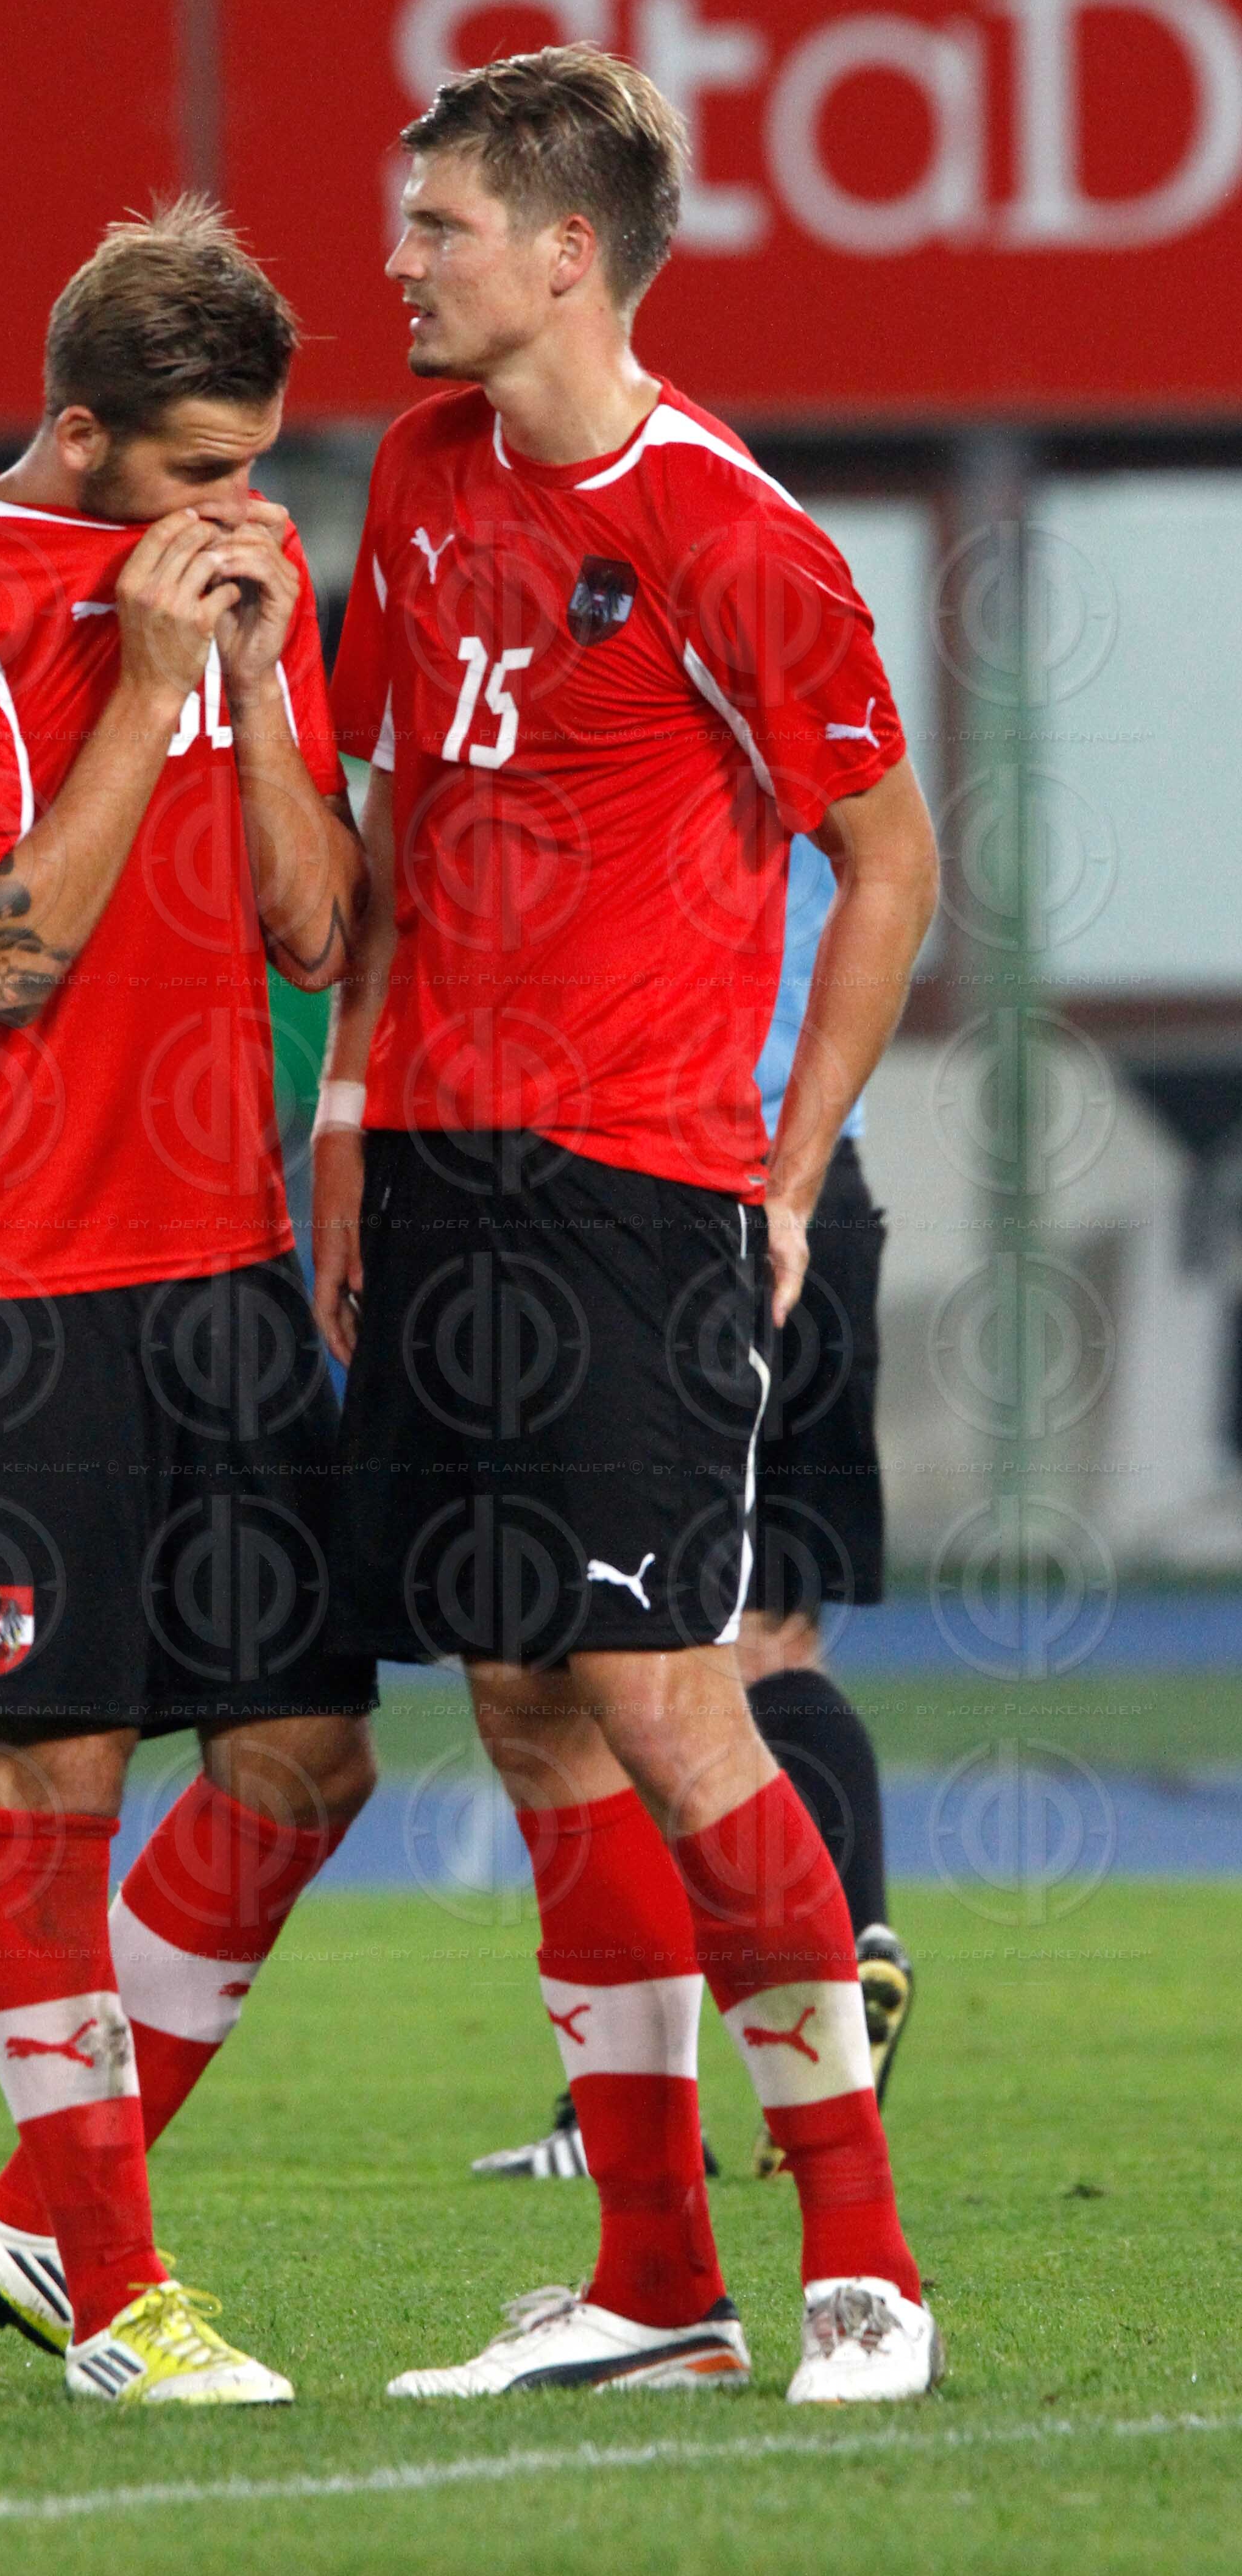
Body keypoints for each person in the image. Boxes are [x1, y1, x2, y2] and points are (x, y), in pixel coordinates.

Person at [314, 47, 943, 2402]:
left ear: (563, 253)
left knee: (678, 1702)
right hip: (445, 1181)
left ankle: (864, 2272)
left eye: (438, 227)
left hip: (634, 1192)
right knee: (520, 1700)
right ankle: (657, 2287)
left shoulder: (730, 534)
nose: (397, 262)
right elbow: (390, 833)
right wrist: (352, 1116)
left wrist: (787, 1162)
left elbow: (885, 860)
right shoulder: (410, 471)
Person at [0, 199, 375, 2409]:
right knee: (52, 1776)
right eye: (189, 474)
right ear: (77, 433)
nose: (231, 511)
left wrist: (239, 681)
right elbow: (4, 957)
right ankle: (121, 2298)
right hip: (13, 1281)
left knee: (307, 1751)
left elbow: (318, 926)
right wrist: (150, 684)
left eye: (255, 466)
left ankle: (46, 2203)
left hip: (221, 1261)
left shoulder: (260, 582)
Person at [471, 836, 912, 2187]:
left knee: (626, 1673)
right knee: (768, 1638)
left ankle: (622, 2095)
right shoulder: (813, 726)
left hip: (684, 1205)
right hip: (817, 1194)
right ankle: (860, 1948)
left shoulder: (651, 697)